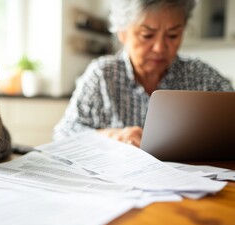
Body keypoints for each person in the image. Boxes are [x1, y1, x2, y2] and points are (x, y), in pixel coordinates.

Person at [53, 0, 234, 147]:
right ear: (122, 34)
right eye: (147, 35)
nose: (160, 48)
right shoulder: (102, 75)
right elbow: (63, 134)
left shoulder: (200, 75)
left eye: (173, 35)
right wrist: (112, 135)